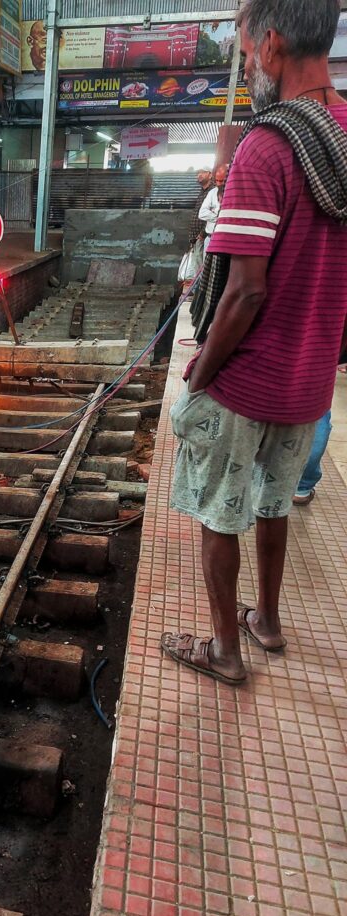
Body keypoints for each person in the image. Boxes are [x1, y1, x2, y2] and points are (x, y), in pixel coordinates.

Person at [162, 0, 347, 686]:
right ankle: (265, 620)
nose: (246, 68)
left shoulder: (267, 146)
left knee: (220, 512)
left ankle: (224, 651)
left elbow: (244, 292)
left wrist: (202, 372)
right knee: (274, 501)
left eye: (244, 54)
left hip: (249, 378)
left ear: (270, 46)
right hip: (310, 378)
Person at [197, 164, 229, 237]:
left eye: (221, 181)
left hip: (224, 236)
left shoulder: (235, 194)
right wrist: (220, 218)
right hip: (209, 236)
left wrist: (211, 213)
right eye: (217, 180)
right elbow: (202, 213)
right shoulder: (212, 192)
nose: (218, 184)